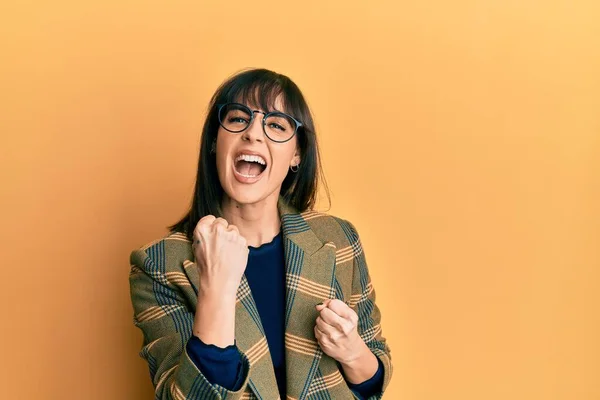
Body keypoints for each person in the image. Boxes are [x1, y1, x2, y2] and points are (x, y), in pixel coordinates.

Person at [128, 68, 393, 399]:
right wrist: (216, 291)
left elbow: (374, 379)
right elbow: (182, 395)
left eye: (276, 125)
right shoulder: (158, 264)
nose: (253, 134)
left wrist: (352, 350)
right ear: (215, 141)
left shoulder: (339, 239)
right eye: (238, 119)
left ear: (297, 154)